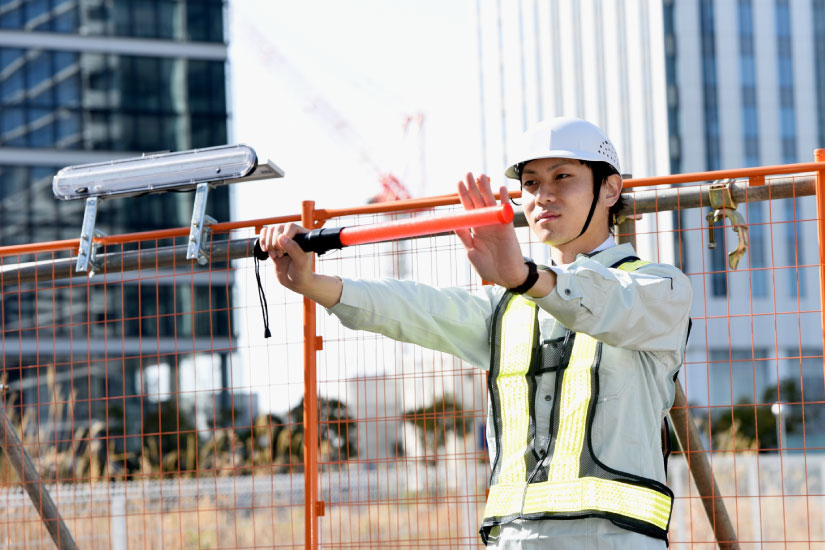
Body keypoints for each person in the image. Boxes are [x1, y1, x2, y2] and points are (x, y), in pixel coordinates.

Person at [258, 117, 692, 549]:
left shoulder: (660, 288)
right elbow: (417, 308)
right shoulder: (509, 307)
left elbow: (604, 301)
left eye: (563, 177)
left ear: (611, 189)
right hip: (514, 539)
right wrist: (312, 284)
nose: (544, 195)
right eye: (531, 183)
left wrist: (522, 276)